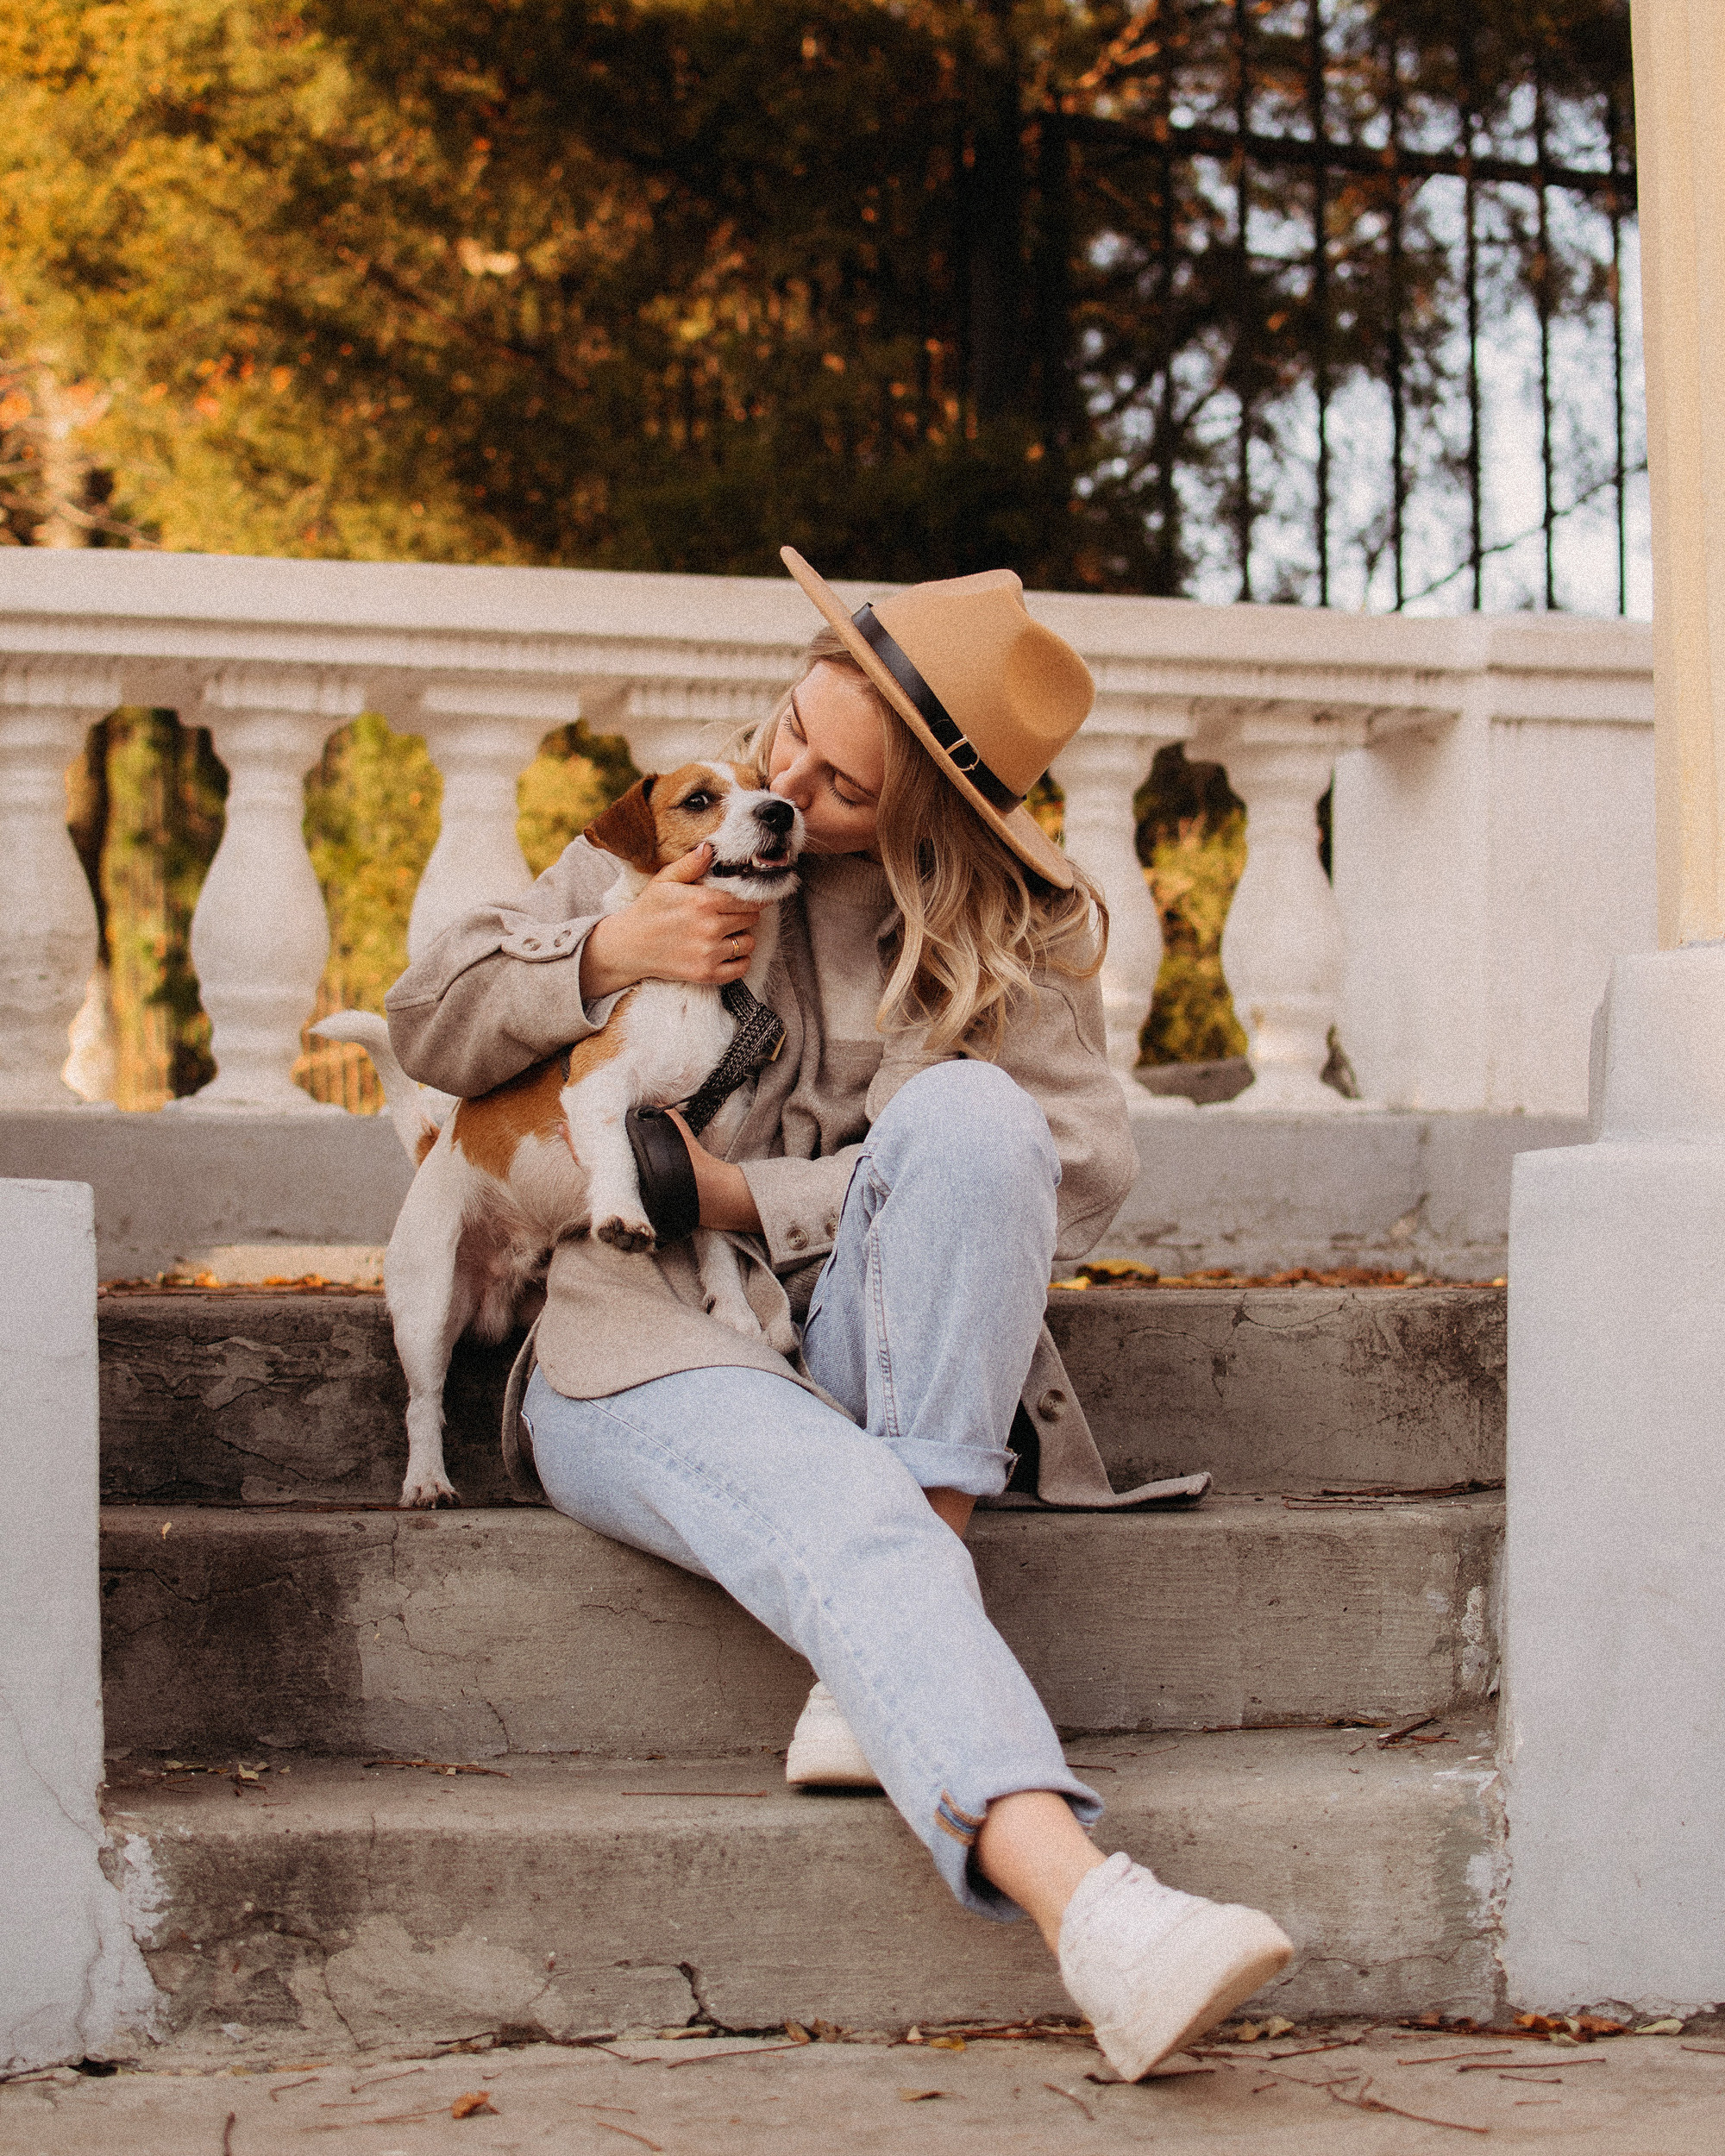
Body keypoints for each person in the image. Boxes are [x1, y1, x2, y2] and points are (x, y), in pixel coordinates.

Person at [384, 548, 1293, 2078]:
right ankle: (1099, 1916)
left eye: (847, 789)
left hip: (876, 1352)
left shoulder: (1011, 930)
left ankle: (896, 1618)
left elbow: (1083, 1158)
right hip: (645, 1347)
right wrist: (604, 952)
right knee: (850, 1505)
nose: (788, 780)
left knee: (979, 1117)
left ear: (933, 816)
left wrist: (753, 1204)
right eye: (791, 730)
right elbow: (425, 1016)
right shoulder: (666, 839)